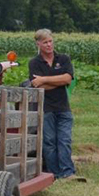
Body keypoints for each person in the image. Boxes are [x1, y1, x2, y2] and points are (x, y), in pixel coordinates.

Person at [29, 28, 76, 179]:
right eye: (45, 42)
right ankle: (54, 173)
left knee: (65, 139)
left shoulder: (63, 59)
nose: (49, 45)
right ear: (38, 44)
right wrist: (58, 81)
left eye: (50, 41)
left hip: (63, 107)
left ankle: (67, 171)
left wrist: (43, 79)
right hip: (46, 107)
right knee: (49, 141)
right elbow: (38, 86)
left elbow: (68, 79)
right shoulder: (34, 63)